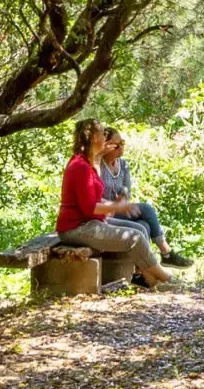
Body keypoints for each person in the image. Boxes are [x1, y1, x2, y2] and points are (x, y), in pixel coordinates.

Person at [55, 118, 171, 287]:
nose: (105, 138)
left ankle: (151, 280)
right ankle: (165, 278)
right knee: (135, 237)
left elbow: (93, 199)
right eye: (103, 134)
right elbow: (90, 208)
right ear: (95, 138)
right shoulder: (80, 166)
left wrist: (118, 206)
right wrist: (118, 206)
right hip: (76, 229)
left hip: (88, 223)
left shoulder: (86, 162)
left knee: (139, 228)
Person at [98, 129, 192, 267]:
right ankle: (165, 252)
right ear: (106, 146)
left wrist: (123, 197)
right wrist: (114, 205)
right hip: (105, 212)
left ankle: (140, 271)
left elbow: (126, 189)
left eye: (122, 143)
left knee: (144, 225)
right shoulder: (98, 165)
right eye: (117, 145)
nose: (121, 148)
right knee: (146, 210)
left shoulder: (123, 165)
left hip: (121, 209)